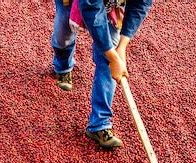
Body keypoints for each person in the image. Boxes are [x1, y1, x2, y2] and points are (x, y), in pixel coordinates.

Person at [51, 0, 153, 149]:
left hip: (111, 5)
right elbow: (90, 9)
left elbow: (140, 4)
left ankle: (100, 124)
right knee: (63, 35)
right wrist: (112, 56)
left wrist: (121, 48)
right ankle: (63, 65)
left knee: (108, 59)